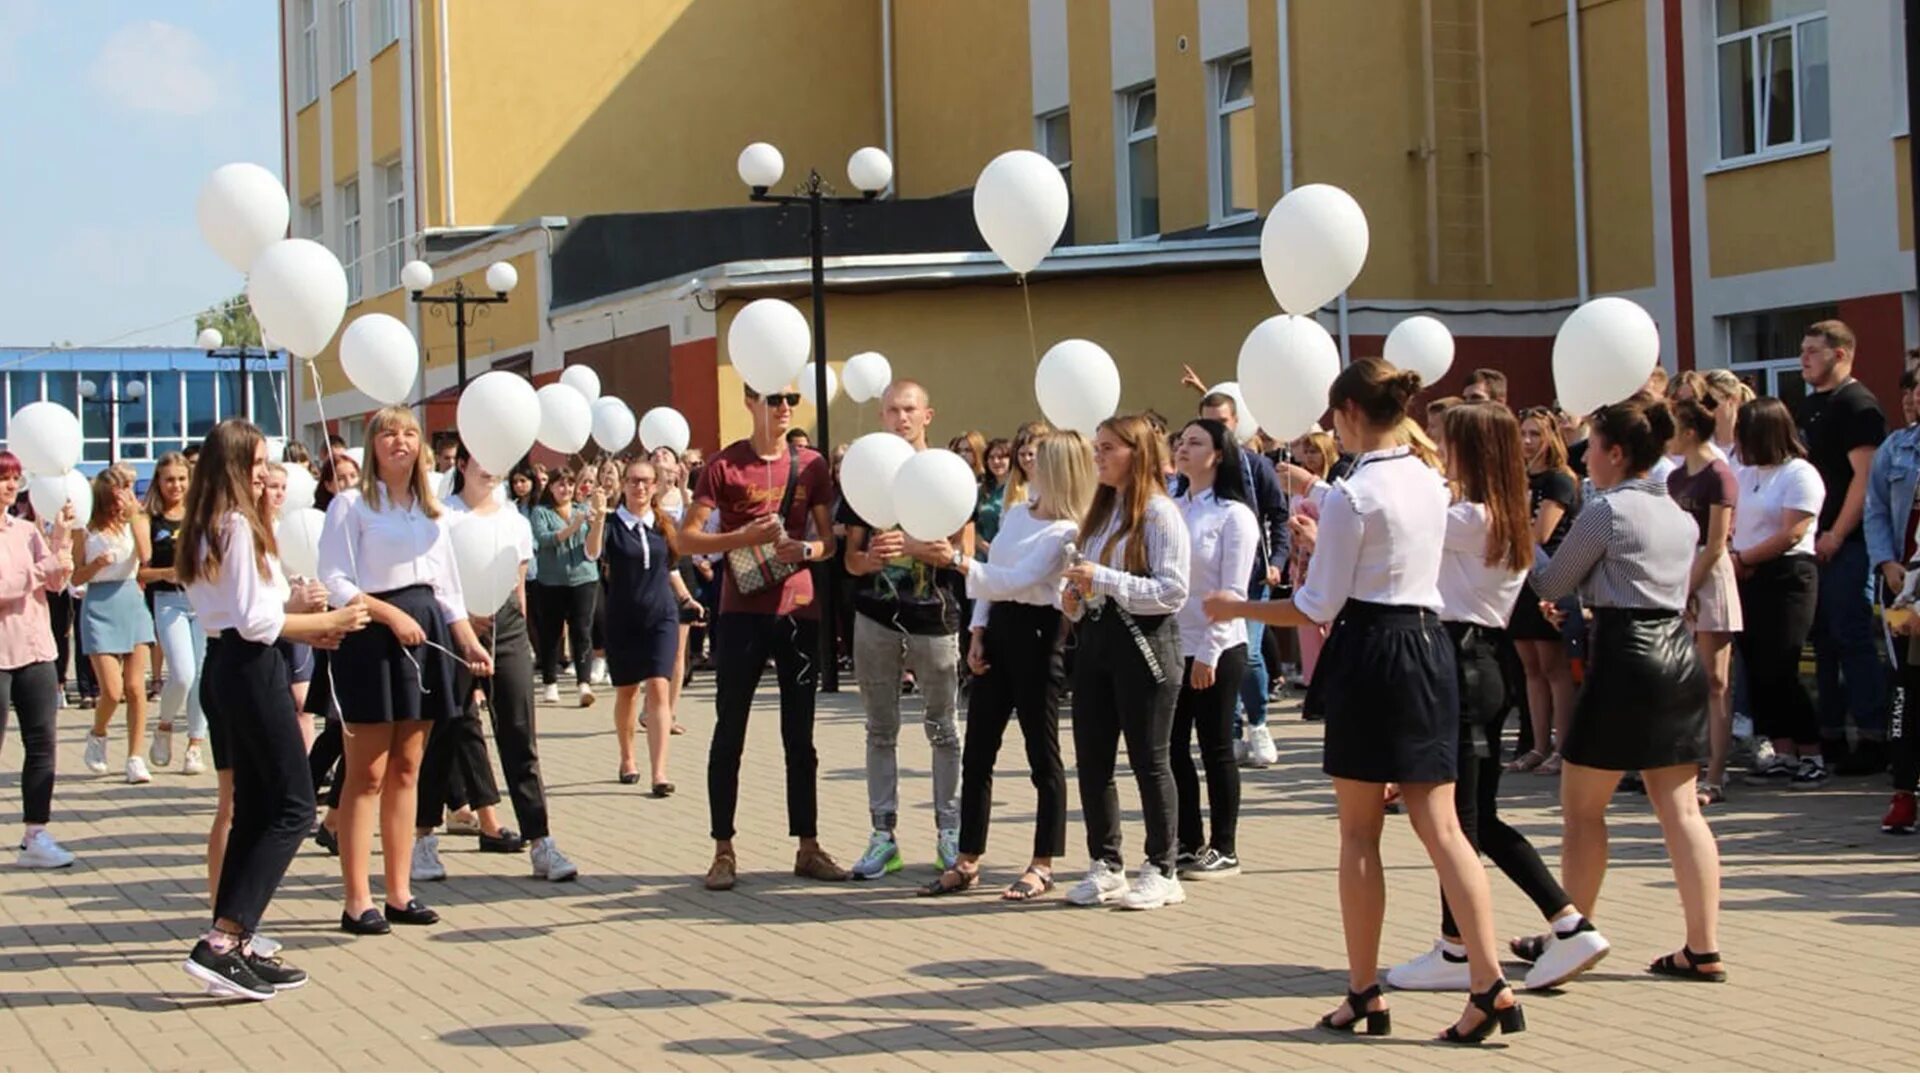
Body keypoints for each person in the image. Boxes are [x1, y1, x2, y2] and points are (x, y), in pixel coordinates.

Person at [1205, 359, 1520, 1042]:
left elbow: (1320, 602)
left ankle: (1363, 990)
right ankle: (1489, 980)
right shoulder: (1429, 479)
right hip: (1429, 644)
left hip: (1373, 649)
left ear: (1349, 411)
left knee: (1358, 834)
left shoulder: (1355, 493)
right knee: (1443, 828)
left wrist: (1239, 606)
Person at [1386, 403, 1604, 995]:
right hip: (1480, 660)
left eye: (1447, 441)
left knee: (1456, 818)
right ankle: (1558, 922)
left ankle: (1464, 947)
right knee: (1471, 817)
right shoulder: (1495, 513)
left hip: (1458, 659)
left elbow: (1401, 514)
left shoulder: (1468, 516)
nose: (1438, 448)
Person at [1526, 394, 1727, 986]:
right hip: (1674, 651)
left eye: (1592, 448)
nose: (1585, 459)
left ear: (1615, 453)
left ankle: (1571, 933)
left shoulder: (1606, 509)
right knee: (1682, 810)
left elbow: (1549, 577)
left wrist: (1521, 533)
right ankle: (1703, 945)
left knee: (1582, 810)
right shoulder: (1678, 512)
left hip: (1624, 659)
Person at [177, 418, 371, 1001]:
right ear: (236, 465)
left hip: (231, 665)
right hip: (249, 667)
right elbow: (255, 623)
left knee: (261, 807)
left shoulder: (214, 524)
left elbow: (247, 607)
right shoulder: (235, 524)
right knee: (290, 807)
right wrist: (324, 623)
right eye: (258, 463)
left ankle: (233, 939)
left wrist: (296, 606)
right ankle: (223, 938)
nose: (267, 473)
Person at [318, 405, 492, 935]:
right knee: (365, 772)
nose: (401, 441)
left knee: (407, 769)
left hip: (427, 635)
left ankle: (399, 892)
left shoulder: (431, 510)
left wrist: (467, 642)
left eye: (410, 433)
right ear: (372, 445)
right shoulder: (351, 505)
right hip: (372, 635)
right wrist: (388, 614)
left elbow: (448, 589)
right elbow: (335, 577)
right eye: (390, 433)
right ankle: (356, 900)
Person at [680, 383, 846, 891]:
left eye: (790, 400)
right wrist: (740, 538)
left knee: (801, 735)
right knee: (730, 730)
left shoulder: (813, 464)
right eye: (773, 399)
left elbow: (828, 542)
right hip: (741, 611)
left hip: (799, 609)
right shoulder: (724, 465)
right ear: (750, 402)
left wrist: (809, 552)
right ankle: (723, 849)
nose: (783, 408)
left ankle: (808, 845)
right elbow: (687, 539)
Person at [918, 431, 1093, 900]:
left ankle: (1043, 862)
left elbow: (1019, 578)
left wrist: (956, 560)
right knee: (978, 753)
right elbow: (994, 581)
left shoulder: (1068, 530)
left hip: (1039, 636)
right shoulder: (1017, 514)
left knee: (1042, 755)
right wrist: (977, 632)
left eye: (1045, 460)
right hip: (998, 630)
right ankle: (967, 857)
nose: (1031, 464)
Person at [413, 442, 578, 884]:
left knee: (520, 734)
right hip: (452, 624)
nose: (491, 470)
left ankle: (541, 840)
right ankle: (423, 840)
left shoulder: (514, 519)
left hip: (505, 625)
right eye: (481, 459)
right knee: (446, 732)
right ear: (463, 464)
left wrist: (518, 638)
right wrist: (462, 622)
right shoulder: (440, 515)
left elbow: (518, 583)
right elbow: (431, 579)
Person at [1058, 414, 1191, 912]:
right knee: (1092, 759)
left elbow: (1173, 591)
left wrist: (1107, 579)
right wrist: (1072, 595)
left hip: (1147, 646)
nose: (1099, 457)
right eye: (1096, 448)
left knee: (1149, 760)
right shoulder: (1101, 512)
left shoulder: (1158, 513)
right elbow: (1083, 586)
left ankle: (1162, 866)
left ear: (1137, 452)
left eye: (1109, 448)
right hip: (1096, 645)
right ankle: (1105, 863)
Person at [840, 381, 971, 880]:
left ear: (928, 414)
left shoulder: (948, 475)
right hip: (874, 617)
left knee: (943, 729)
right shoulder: (868, 471)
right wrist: (867, 558)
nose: (901, 418)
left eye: (910, 409)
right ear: (881, 416)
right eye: (892, 410)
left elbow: (965, 556)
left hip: (934, 619)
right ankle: (882, 836)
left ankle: (950, 832)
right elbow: (851, 560)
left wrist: (917, 549)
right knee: (879, 729)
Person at [1795, 320, 1889, 774]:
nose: (1803, 359)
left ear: (1841, 353)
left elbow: (1864, 478)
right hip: (1812, 544)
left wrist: (1835, 532)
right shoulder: (1810, 406)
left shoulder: (1858, 405)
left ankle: (1873, 738)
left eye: (1813, 351)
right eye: (1803, 350)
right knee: (1825, 643)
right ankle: (1829, 736)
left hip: (1846, 545)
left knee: (1853, 639)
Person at [1167, 419, 1258, 881]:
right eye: (1180, 442)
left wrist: (1210, 651)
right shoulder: (1171, 507)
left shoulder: (1233, 515)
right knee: (1171, 747)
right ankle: (1187, 839)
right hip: (1171, 644)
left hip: (1216, 648)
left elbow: (1232, 592)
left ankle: (1225, 846)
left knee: (1215, 746)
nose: (1183, 449)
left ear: (1218, 454)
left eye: (1195, 442)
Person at [588, 456, 701, 796]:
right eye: (633, 481)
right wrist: (597, 517)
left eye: (645, 481)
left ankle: (660, 772)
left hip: (661, 616)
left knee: (659, 686)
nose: (639, 487)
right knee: (627, 692)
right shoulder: (611, 525)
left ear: (654, 487)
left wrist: (686, 600)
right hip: (623, 617)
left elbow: (671, 569)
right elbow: (592, 554)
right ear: (623, 485)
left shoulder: (663, 524)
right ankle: (627, 757)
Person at [1732, 398, 1830, 787]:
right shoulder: (1746, 473)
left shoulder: (1800, 474)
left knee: (1782, 664)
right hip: (1748, 575)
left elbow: (1792, 531)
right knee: (1757, 667)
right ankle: (1783, 749)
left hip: (1788, 576)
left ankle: (1812, 752)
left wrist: (1746, 558)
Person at [1188, 392, 1289, 770]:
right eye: (1207, 422)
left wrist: (1277, 560)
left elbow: (1278, 517)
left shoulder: (1255, 467)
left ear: (1235, 425)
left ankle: (1258, 723)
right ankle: (1228, 729)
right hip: (1207, 587)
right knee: (1213, 655)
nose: (1217, 428)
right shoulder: (1190, 481)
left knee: (1246, 653)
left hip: (1251, 581)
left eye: (1223, 422)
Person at [1, 451, 77, 868]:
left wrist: (61, 540)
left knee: (42, 744)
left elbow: (54, 582)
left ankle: (35, 834)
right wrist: (43, 566)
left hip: (36, 651)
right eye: (3, 478)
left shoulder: (27, 529)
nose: (10, 486)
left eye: (14, 478)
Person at [1667, 395, 1743, 806]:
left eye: (1674, 429)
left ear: (1690, 431)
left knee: (1716, 682)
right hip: (1679, 574)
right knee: (1685, 681)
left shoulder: (1719, 475)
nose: (1668, 440)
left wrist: (1689, 589)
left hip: (1709, 577)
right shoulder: (1675, 479)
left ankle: (1715, 773)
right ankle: (1684, 766)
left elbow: (1715, 544)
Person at [1507, 408, 1581, 775]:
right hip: (1517, 577)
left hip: (1549, 575)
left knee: (1555, 667)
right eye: (1523, 434)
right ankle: (1538, 744)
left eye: (1535, 434)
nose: (1527, 442)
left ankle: (1563, 746)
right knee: (1530, 667)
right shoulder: (1518, 478)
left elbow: (1541, 534)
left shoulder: (1558, 481)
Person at [74, 463, 157, 784]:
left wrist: (135, 514)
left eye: (120, 497)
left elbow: (146, 555)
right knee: (112, 689)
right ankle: (98, 733)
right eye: (110, 500)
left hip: (131, 600)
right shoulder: (86, 529)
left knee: (136, 688)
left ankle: (135, 757)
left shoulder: (135, 521)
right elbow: (76, 575)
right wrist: (95, 564)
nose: (116, 505)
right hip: (98, 603)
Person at [139, 452, 208, 775]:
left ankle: (195, 744)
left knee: (201, 678)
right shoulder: (148, 519)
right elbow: (141, 573)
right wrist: (167, 572)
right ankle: (164, 726)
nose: (176, 485)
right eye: (169, 479)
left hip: (203, 601)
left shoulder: (201, 515)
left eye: (182, 478)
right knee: (182, 673)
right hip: (168, 600)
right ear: (158, 481)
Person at [530, 465, 601, 708]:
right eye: (561, 484)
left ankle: (584, 683)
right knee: (551, 633)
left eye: (570, 484)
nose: (566, 489)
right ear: (550, 487)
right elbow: (545, 539)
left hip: (584, 579)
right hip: (551, 581)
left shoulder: (582, 509)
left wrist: (595, 521)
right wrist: (573, 525)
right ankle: (550, 682)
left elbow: (593, 545)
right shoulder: (541, 512)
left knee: (582, 631)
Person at [975, 437, 1012, 558]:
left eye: (1001, 457)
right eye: (991, 457)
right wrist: (986, 548)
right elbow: (971, 525)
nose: (996, 461)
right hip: (983, 557)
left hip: (1011, 558)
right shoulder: (981, 490)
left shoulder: (1021, 490)